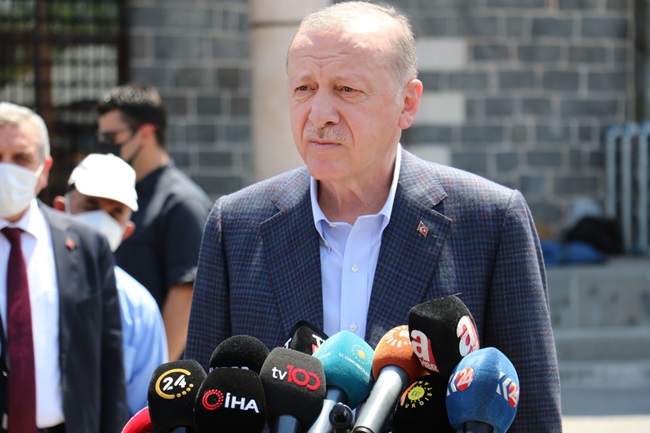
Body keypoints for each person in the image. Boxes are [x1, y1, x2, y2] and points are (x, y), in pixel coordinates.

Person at [185, 2, 562, 432]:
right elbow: (204, 410)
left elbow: (533, 416)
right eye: (304, 88)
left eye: (346, 89)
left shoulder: (490, 221)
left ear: (407, 103)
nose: (319, 114)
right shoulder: (235, 226)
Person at [0, 102, 128, 432]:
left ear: (44, 169)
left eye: (20, 158)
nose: (6, 168)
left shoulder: (86, 246)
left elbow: (109, 364)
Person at [95, 84, 212, 361]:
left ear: (145, 133)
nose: (105, 146)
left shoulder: (181, 203)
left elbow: (186, 295)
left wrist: (154, 373)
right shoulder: (120, 196)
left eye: (112, 137)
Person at [52, 153, 169, 417]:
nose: (100, 221)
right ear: (60, 209)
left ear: (126, 231)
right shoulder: (27, 283)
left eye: (115, 212)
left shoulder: (139, 308)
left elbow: (146, 412)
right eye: (90, 205)